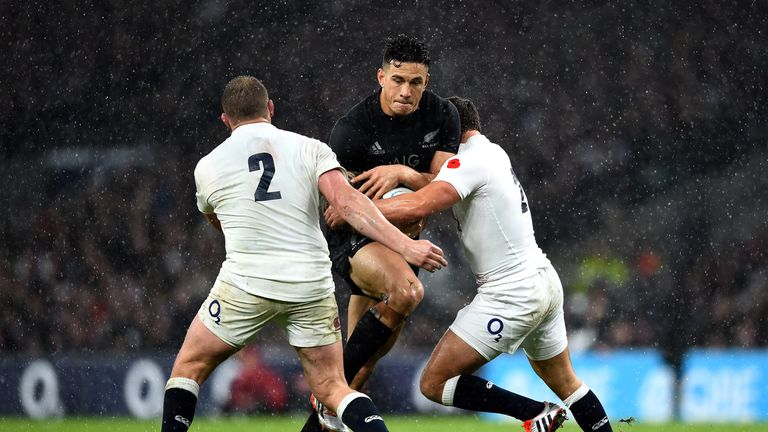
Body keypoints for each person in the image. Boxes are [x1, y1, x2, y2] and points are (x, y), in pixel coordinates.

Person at [160, 75, 448, 432]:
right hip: (309, 283)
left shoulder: (207, 166)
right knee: (333, 388)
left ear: (225, 120)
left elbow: (217, 220)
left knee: (188, 368)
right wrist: (407, 246)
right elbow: (347, 203)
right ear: (270, 109)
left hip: (246, 283)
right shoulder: (310, 148)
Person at [371, 96, 614, 432]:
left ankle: (532, 411)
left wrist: (354, 208)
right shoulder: (492, 152)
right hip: (542, 279)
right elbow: (436, 180)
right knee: (568, 383)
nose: (428, 147)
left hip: (510, 291)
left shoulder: (468, 162)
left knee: (434, 382)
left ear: (450, 132)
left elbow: (420, 205)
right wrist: (403, 172)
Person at [301, 33, 461, 432]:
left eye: (416, 83)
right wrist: (405, 203)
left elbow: (446, 190)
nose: (406, 92)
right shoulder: (353, 129)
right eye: (397, 80)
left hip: (402, 239)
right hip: (358, 239)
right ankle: (328, 389)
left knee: (358, 376)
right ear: (380, 77)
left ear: (427, 81)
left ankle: (323, 407)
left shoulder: (442, 116)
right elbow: (341, 212)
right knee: (406, 292)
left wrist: (403, 174)